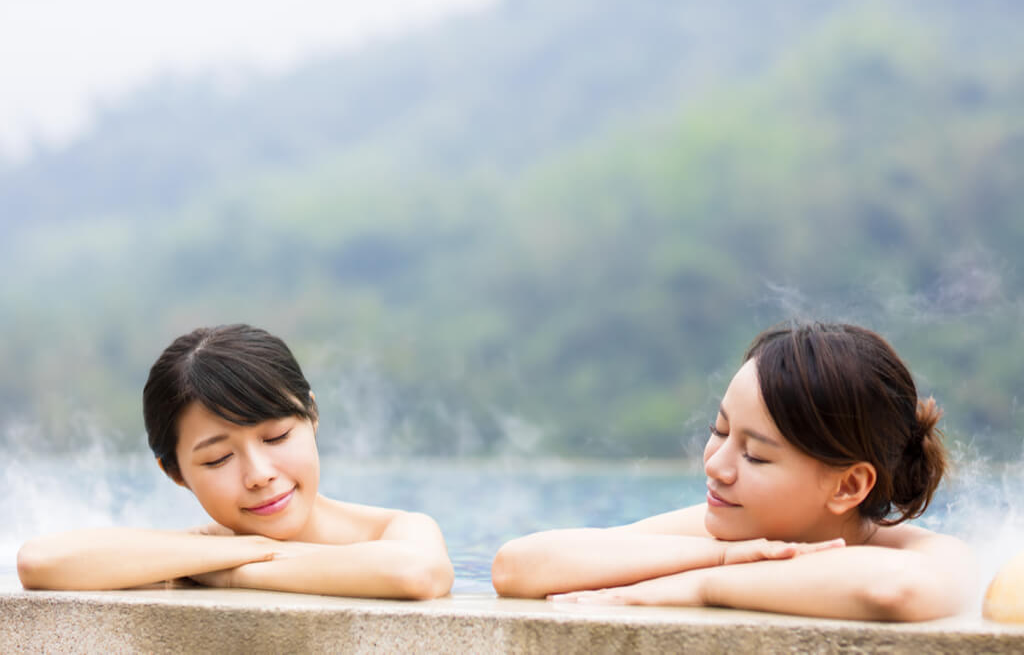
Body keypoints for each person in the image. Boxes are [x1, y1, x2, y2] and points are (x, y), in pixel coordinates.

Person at [491, 321, 976, 621]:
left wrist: (703, 587)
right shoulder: (730, 534)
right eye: (719, 431)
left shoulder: (924, 552)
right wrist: (723, 559)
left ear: (848, 485)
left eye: (756, 455)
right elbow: (519, 566)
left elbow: (896, 590)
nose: (715, 465)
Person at [17, 324, 454, 599]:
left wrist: (234, 574)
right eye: (219, 458)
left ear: (313, 416)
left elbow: (416, 573)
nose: (260, 474)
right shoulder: (207, 550)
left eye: (277, 436)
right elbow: (41, 562)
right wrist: (252, 549)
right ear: (175, 473)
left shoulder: (396, 529)